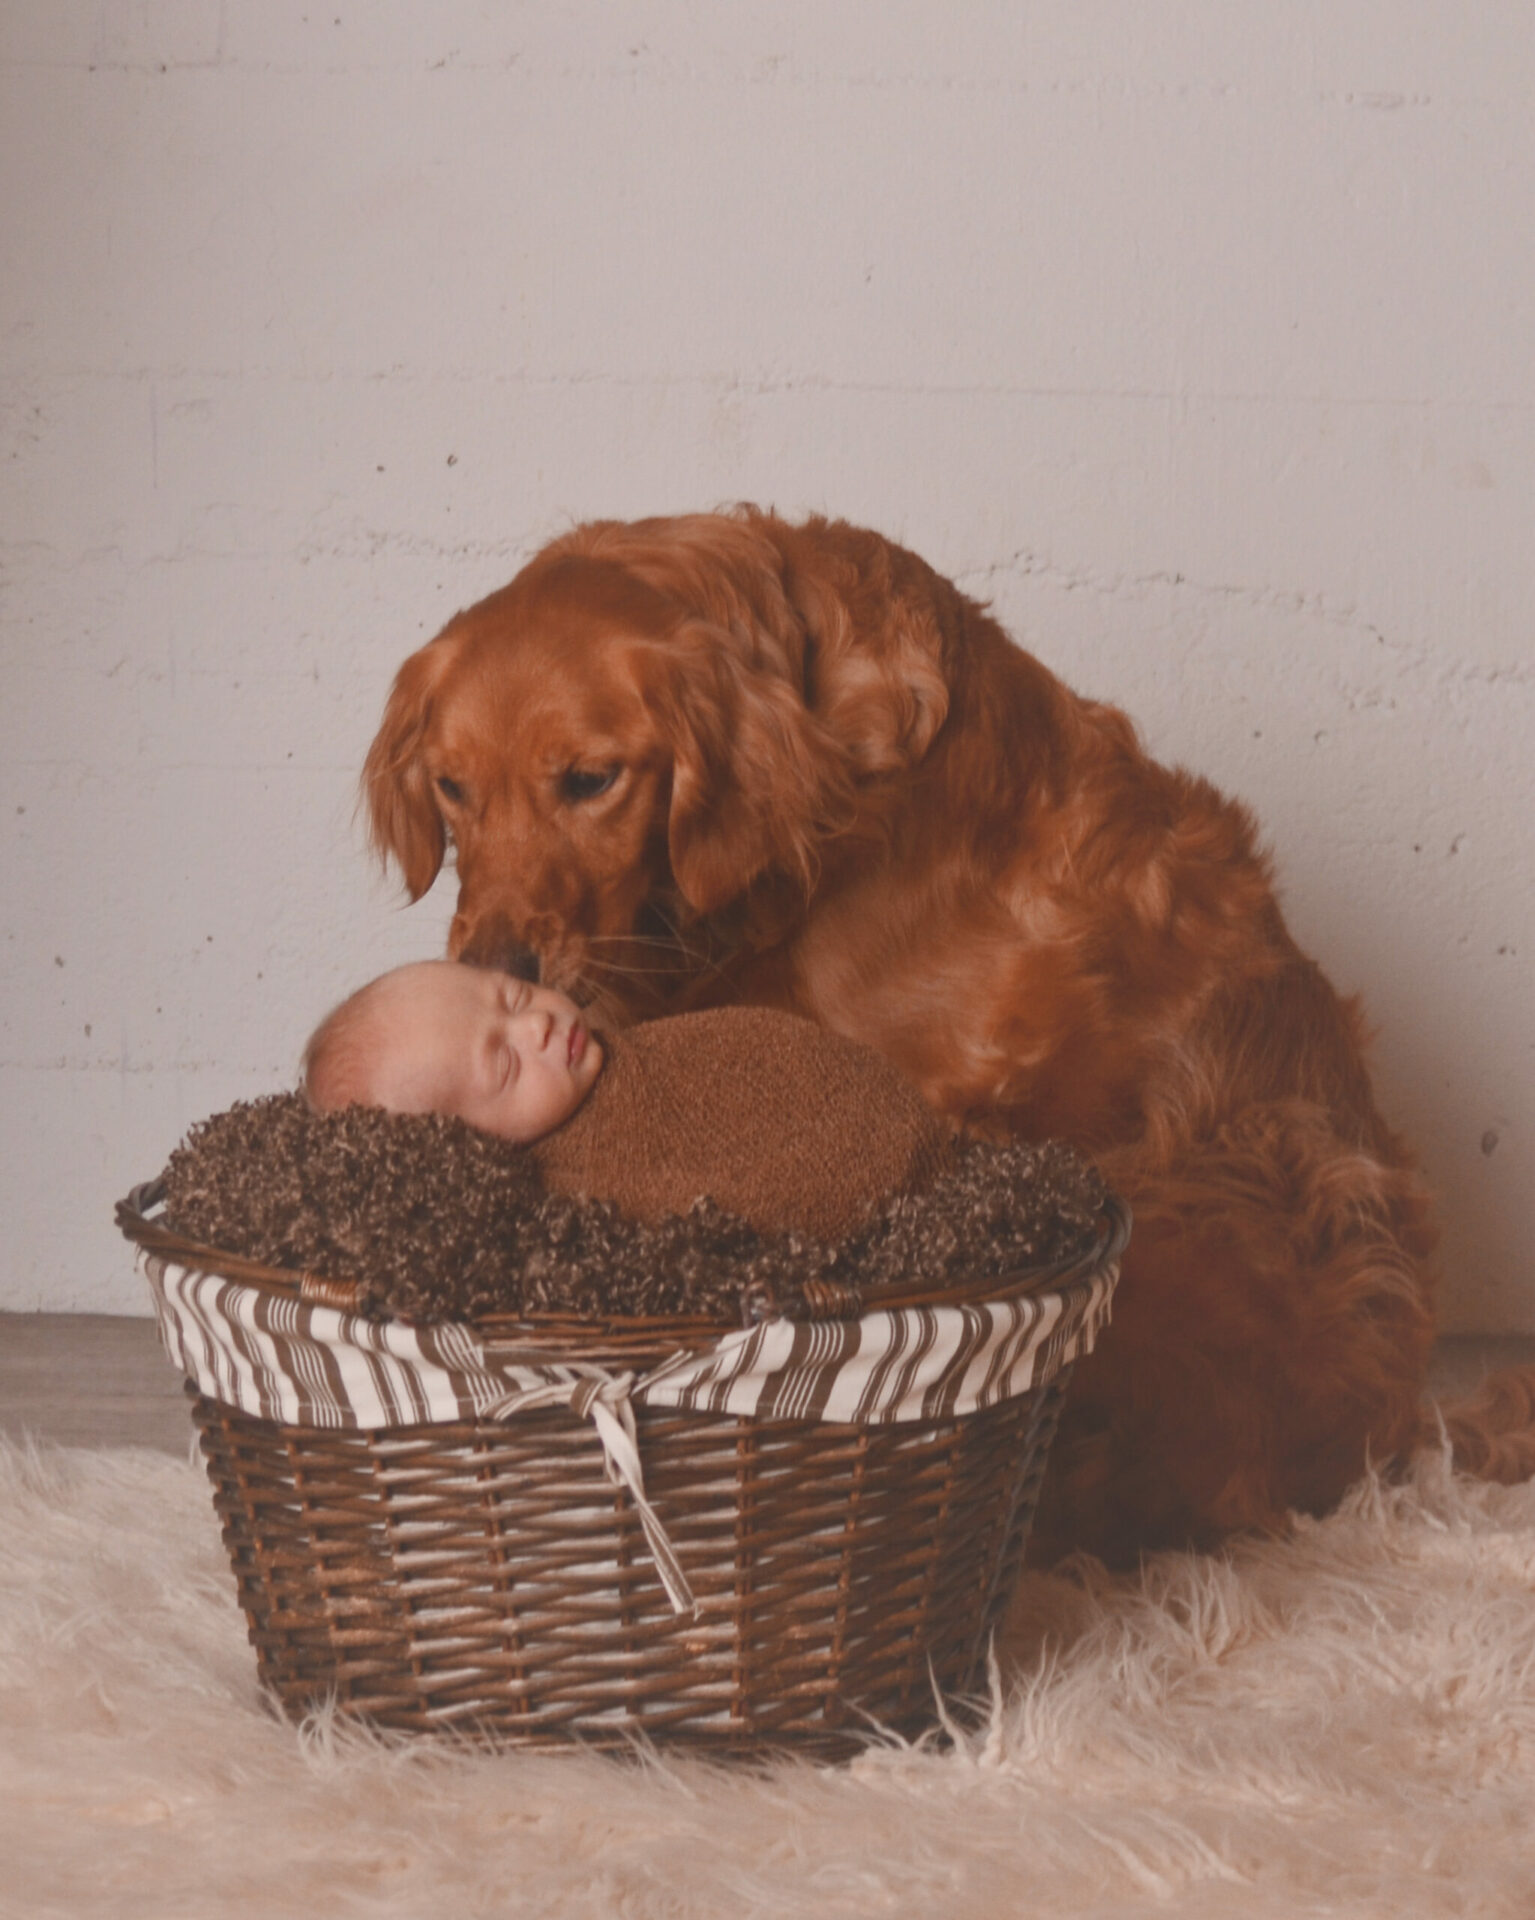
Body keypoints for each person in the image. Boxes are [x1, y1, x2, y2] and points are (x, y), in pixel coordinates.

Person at [301, 960, 949, 1240]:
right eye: (504, 1062)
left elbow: (767, 1063)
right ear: (465, 1154)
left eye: (512, 996)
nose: (537, 1026)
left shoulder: (642, 1058)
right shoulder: (569, 1191)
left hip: (880, 1130)